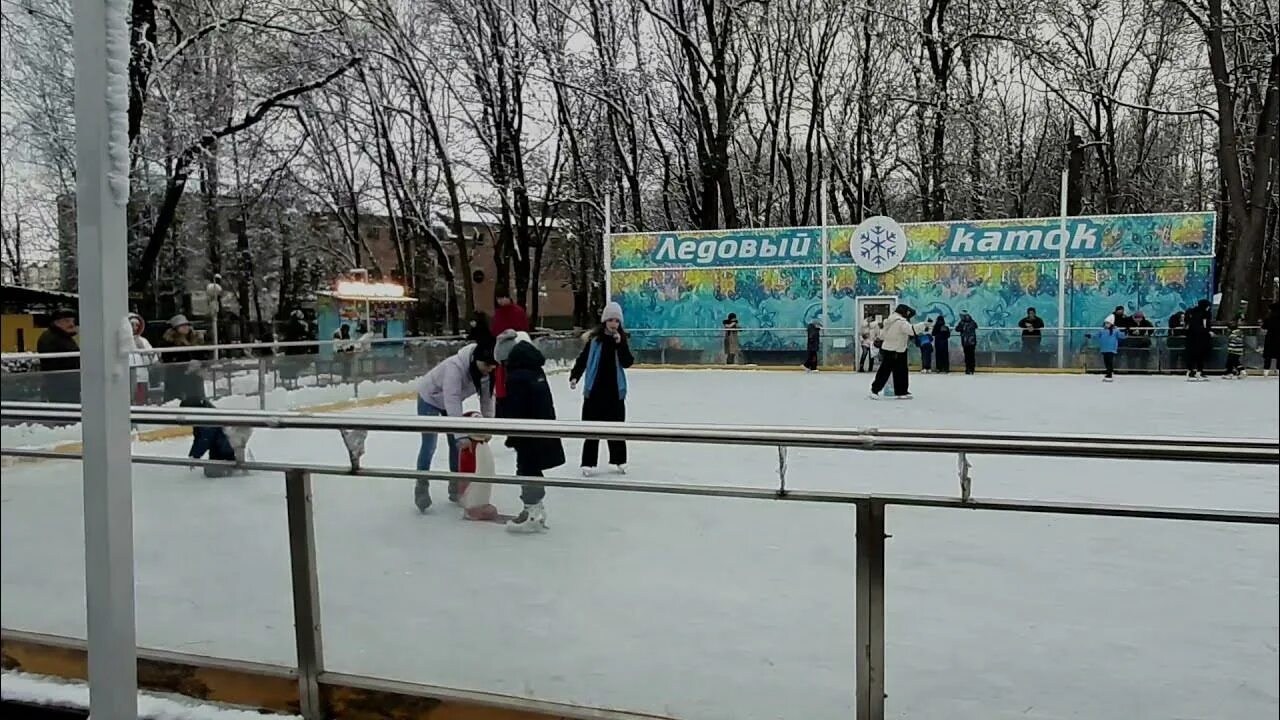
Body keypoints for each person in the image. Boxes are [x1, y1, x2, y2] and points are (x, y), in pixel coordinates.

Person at [494, 330, 565, 533]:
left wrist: (505, 423)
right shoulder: (534, 368)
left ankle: (532, 512)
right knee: (531, 468)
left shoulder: (517, 375)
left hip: (528, 432)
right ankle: (534, 509)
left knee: (526, 469)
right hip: (541, 426)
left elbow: (515, 408)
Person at [413, 342, 497, 511]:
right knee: (430, 444)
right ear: (476, 360)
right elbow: (452, 399)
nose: (489, 369)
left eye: (493, 366)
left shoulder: (485, 373)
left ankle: (455, 488)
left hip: (450, 403)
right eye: (486, 365)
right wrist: (460, 434)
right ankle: (421, 487)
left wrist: (488, 426)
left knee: (455, 446)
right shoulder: (455, 367)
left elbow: (487, 400)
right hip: (430, 398)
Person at [570, 302, 634, 475]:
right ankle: (588, 463)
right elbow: (583, 360)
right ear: (604, 321)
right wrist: (575, 375)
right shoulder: (594, 341)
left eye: (617, 321)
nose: (614, 324)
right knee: (592, 429)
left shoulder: (620, 340)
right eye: (611, 320)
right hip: (594, 392)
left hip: (615, 392)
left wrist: (620, 344)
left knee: (616, 429)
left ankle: (619, 460)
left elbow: (628, 362)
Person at [869, 304, 925, 399]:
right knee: (894, 371)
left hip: (892, 349)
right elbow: (911, 330)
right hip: (897, 349)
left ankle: (881, 390)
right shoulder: (900, 322)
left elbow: (882, 335)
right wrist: (924, 325)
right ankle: (896, 391)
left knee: (895, 370)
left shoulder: (889, 320)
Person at [491, 290, 529, 417]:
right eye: (498, 299)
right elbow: (495, 331)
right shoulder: (498, 314)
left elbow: (523, 330)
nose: (500, 301)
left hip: (515, 352)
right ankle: (502, 410)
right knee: (501, 383)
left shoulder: (518, 311)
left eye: (502, 298)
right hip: (501, 353)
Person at [37, 308, 81, 404]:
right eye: (67, 321)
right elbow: (52, 364)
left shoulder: (63, 337)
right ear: (57, 323)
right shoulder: (51, 338)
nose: (71, 324)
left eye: (72, 321)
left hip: (68, 384)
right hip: (61, 386)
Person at [162, 315, 204, 402]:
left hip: (194, 376)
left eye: (187, 325)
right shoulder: (170, 341)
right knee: (176, 401)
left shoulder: (195, 339)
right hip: (176, 377)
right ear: (176, 328)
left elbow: (203, 355)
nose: (186, 327)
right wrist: (185, 366)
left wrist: (198, 363)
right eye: (182, 326)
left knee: (196, 399)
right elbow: (168, 359)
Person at [127, 313, 154, 405]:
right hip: (127, 376)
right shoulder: (122, 341)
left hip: (142, 376)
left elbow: (152, 360)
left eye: (137, 325)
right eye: (132, 325)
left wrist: (142, 349)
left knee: (141, 400)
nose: (134, 328)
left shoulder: (143, 341)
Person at [1183, 299, 1213, 381]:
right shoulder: (1204, 314)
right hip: (1201, 337)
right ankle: (1198, 371)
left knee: (1192, 354)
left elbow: (1187, 324)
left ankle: (1191, 371)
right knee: (1200, 355)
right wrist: (1208, 331)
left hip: (1191, 337)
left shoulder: (1191, 312)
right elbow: (1204, 325)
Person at [1095, 315, 1126, 381]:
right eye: (1106, 323)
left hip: (1111, 349)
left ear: (1111, 324)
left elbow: (1121, 336)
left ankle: (1109, 374)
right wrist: (1090, 335)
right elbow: (1096, 335)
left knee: (1109, 361)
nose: (1106, 324)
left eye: (1108, 323)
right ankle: (1108, 372)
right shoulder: (1102, 331)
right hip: (1104, 349)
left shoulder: (1115, 331)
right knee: (1106, 361)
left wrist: (1125, 332)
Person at [1263, 303, 1279, 377]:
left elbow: (1264, 326)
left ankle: (1266, 370)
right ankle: (1278, 370)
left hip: (1270, 337)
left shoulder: (1269, 317)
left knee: (1268, 355)